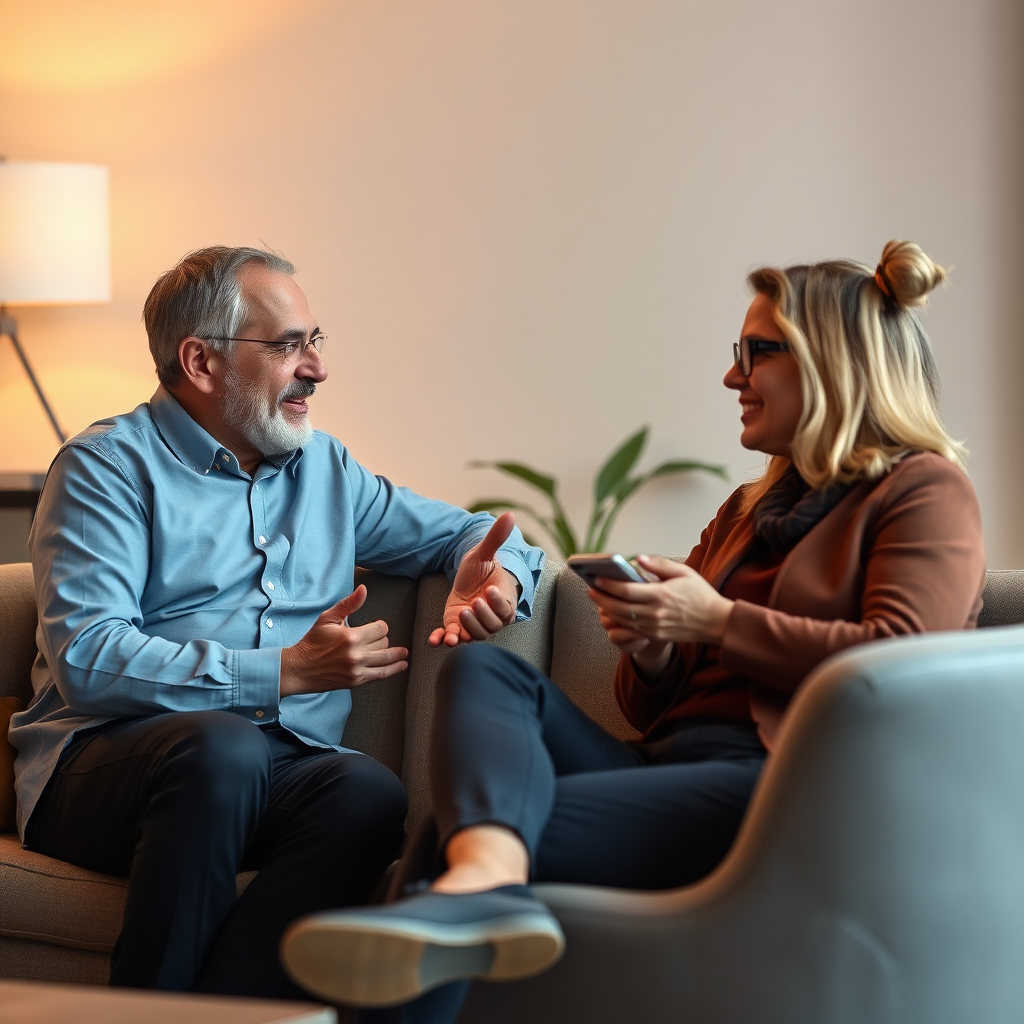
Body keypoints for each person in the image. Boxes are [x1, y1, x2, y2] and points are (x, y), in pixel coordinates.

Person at [279, 240, 987, 1021]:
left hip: (788, 788)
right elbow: (653, 712)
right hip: (665, 765)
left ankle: (481, 876)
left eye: (756, 353)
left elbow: (898, 668)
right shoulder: (746, 510)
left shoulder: (924, 492)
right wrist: (653, 653)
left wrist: (717, 620)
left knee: (458, 833)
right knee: (487, 672)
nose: (731, 376)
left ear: (832, 364)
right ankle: (486, 875)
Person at [8, 246, 544, 999]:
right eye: (288, 346)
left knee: (366, 793)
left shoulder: (327, 471)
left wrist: (497, 574)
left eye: (314, 341)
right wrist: (284, 672)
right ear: (201, 362)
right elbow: (89, 659)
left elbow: (484, 535)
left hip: (270, 768)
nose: (317, 368)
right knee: (221, 749)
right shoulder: (106, 467)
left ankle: (228, 1016)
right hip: (104, 765)